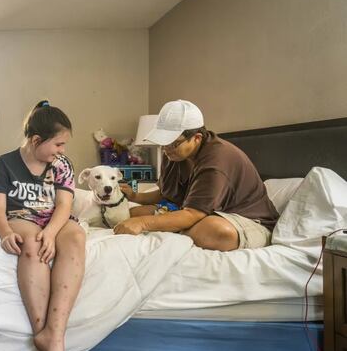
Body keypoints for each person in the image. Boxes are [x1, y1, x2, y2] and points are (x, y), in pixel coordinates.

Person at [0, 100, 87, 351]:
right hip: (21, 217)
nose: (62, 151)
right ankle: (43, 341)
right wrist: (5, 231)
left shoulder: (62, 166)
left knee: (77, 237)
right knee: (30, 245)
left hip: (54, 217)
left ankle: (54, 336)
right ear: (36, 140)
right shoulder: (4, 163)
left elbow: (64, 204)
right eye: (58, 144)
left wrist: (53, 232)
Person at [114, 100, 279, 251]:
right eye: (163, 143)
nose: (166, 149)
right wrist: (135, 196)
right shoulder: (173, 154)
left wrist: (144, 223)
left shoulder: (217, 159)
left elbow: (193, 214)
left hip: (247, 219)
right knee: (134, 213)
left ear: (196, 138)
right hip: (195, 212)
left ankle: (175, 230)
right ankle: (177, 228)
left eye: (173, 143)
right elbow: (166, 194)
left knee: (216, 230)